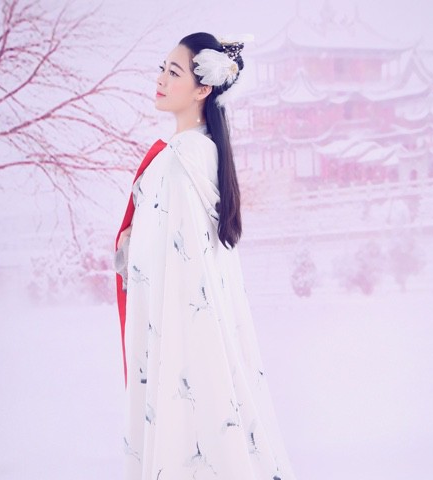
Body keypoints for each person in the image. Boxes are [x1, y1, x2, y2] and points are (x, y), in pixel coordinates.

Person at [114, 32, 297, 480]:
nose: (160, 79)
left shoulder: (182, 158)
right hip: (192, 310)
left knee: (186, 423)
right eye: (162, 68)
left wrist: (128, 244)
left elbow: (175, 253)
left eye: (173, 72)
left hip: (179, 312)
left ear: (203, 89)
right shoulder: (199, 152)